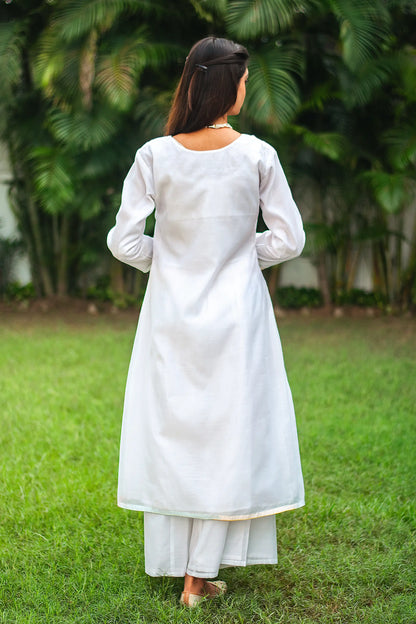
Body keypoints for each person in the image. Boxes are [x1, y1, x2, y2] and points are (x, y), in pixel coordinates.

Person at [107, 36, 305, 607]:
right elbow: (290, 239)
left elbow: (123, 241)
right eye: (244, 81)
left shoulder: (154, 154)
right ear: (228, 85)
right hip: (238, 317)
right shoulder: (258, 155)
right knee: (227, 433)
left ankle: (188, 571)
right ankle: (199, 576)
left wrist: (169, 262)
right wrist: (243, 255)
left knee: (176, 433)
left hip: (171, 315)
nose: (246, 90)